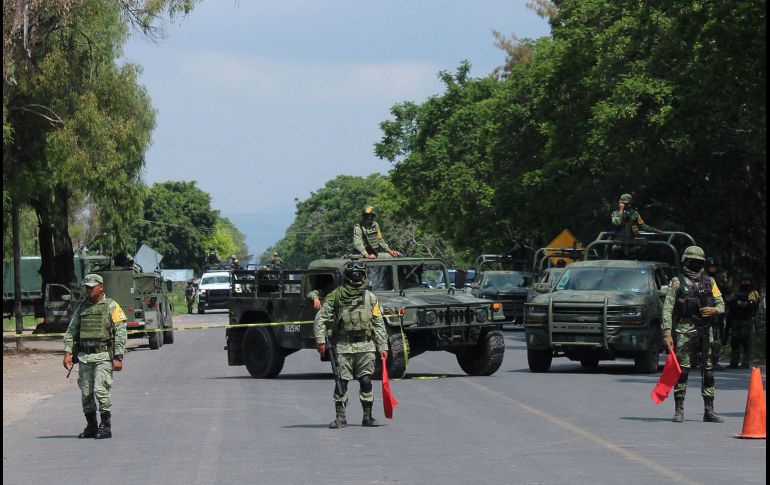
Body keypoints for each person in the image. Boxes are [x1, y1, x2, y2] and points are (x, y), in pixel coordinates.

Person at [314, 260, 388, 428]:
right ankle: (340, 418)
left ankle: (367, 417)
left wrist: (383, 346)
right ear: (346, 276)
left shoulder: (371, 297)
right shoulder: (336, 295)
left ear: (364, 276)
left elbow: (378, 322)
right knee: (341, 382)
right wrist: (320, 341)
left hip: (366, 346)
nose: (356, 276)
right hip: (344, 346)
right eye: (353, 274)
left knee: (366, 381)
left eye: (359, 273)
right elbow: (320, 318)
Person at [661, 246, 725, 423]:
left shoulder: (710, 282)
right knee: (682, 371)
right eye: (692, 261)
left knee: (708, 372)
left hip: (705, 331)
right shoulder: (677, 282)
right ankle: (679, 409)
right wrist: (667, 332)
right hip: (684, 331)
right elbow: (667, 309)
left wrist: (714, 310)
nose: (696, 264)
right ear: (686, 261)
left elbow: (721, 304)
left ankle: (709, 411)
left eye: (699, 262)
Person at [63, 274, 128, 439]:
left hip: (103, 355)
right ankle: (91, 426)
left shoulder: (111, 305)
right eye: (87, 287)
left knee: (100, 389)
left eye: (92, 287)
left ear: (101, 287)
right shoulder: (82, 307)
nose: (89, 290)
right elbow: (71, 330)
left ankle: (105, 426)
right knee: (86, 393)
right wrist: (68, 352)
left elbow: (121, 332)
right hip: (85, 356)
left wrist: (118, 357)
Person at [726, 272, 760, 369]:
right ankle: (734, 362)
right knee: (734, 341)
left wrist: (741, 303)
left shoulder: (753, 292)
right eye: (744, 281)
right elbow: (730, 302)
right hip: (735, 319)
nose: (745, 283)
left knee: (746, 341)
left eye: (747, 281)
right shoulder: (736, 292)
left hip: (746, 320)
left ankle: (745, 362)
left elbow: (753, 305)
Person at [705, 257, 730, 370]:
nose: (713, 269)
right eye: (711, 267)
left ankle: (713, 360)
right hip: (705, 310)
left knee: (716, 337)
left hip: (717, 312)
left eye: (714, 267)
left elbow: (727, 291)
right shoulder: (702, 278)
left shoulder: (719, 279)